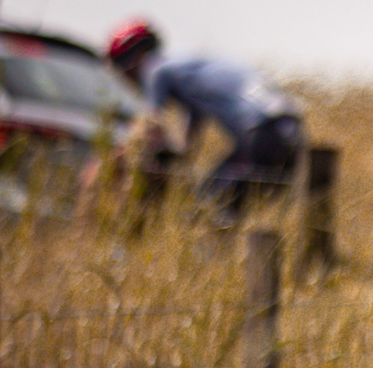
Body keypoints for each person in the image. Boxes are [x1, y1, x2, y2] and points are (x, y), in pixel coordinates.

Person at [102, 21, 304, 223]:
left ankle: (210, 248)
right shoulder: (186, 68)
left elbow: (149, 124)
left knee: (206, 205)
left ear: (132, 61)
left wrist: (128, 154)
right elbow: (193, 125)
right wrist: (183, 154)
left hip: (261, 129)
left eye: (122, 74)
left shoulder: (156, 69)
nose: (127, 82)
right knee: (229, 205)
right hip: (287, 124)